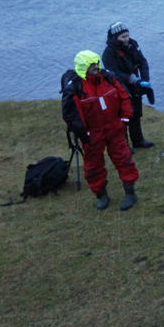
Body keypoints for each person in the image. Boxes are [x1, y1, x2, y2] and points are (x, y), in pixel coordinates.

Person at [61, 50, 139, 211]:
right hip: (92, 134)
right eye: (91, 64)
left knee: (124, 159)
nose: (96, 66)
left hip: (114, 128)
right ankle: (101, 195)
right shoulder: (76, 87)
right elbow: (73, 115)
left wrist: (124, 120)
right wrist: (84, 134)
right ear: (84, 67)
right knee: (93, 167)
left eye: (96, 62)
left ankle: (130, 193)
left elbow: (125, 96)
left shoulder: (108, 78)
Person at [102, 21, 154, 149]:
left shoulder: (133, 44)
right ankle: (123, 145)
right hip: (118, 87)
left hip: (135, 84)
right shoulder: (108, 53)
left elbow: (142, 61)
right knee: (123, 117)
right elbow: (113, 73)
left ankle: (138, 141)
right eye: (123, 37)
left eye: (127, 36)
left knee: (136, 113)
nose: (126, 39)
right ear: (115, 38)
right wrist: (133, 79)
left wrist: (144, 80)